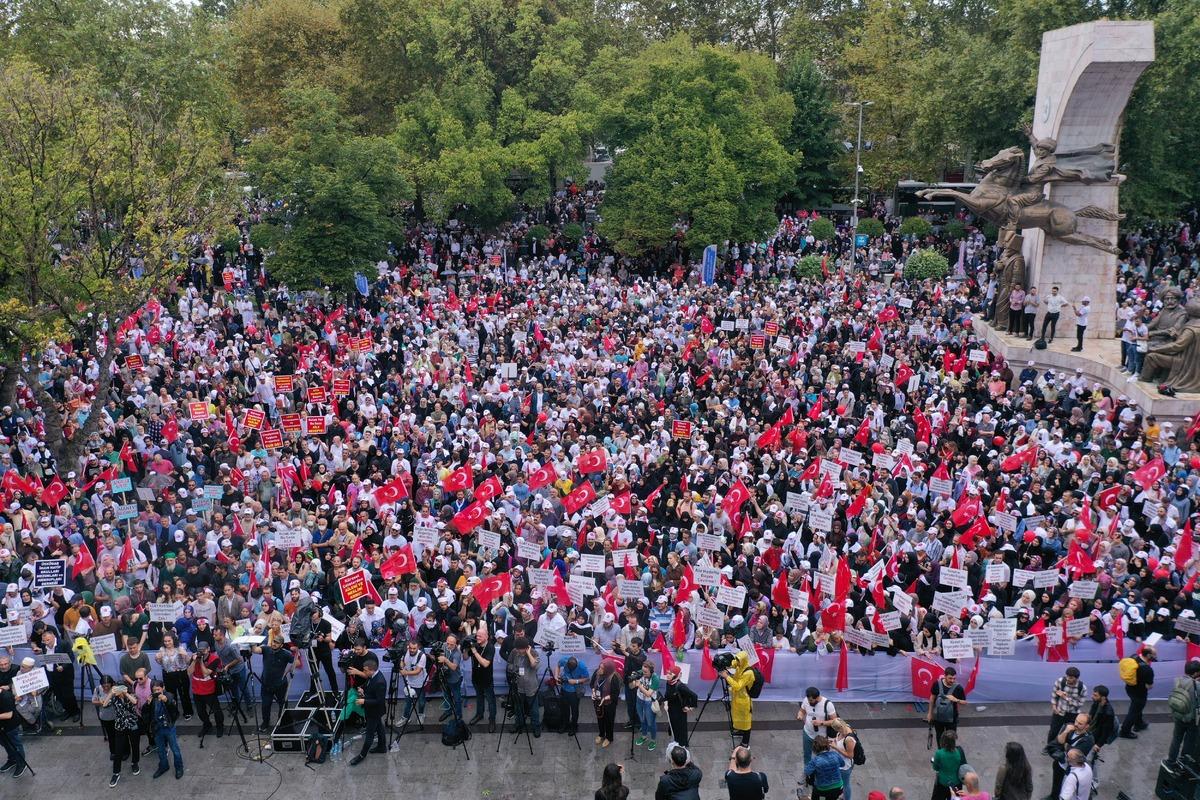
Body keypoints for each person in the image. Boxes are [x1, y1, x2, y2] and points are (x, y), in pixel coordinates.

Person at [254, 635, 300, 732]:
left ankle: (281, 722)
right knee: (265, 705)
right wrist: (252, 641)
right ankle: (265, 722)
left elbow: (298, 662)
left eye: (277, 642)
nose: (274, 644)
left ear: (281, 645)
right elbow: (255, 650)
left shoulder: (286, 653)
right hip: (266, 684)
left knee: (283, 704)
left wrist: (288, 670)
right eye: (274, 641)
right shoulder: (266, 649)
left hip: (280, 685)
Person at [349, 654, 388, 765]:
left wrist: (364, 701)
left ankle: (362, 755)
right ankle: (382, 747)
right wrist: (363, 689)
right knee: (379, 727)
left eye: (365, 670)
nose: (363, 672)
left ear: (372, 670)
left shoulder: (380, 682)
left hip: (374, 711)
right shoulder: (373, 676)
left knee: (370, 734)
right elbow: (368, 684)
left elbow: (379, 701)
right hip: (373, 710)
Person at [1165, 659, 1200, 772]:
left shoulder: (1177, 680)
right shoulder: (1197, 685)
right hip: (1191, 719)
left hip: (1178, 715)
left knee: (1176, 739)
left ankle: (1171, 761)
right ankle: (1183, 762)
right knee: (1189, 741)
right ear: (1196, 673)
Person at [146, 678, 184, 780]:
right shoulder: (151, 699)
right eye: (154, 690)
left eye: (158, 689)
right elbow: (146, 714)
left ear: (163, 688)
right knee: (161, 750)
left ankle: (179, 767)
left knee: (175, 749)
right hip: (157, 728)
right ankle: (163, 766)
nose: (156, 692)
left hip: (168, 727)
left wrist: (167, 701)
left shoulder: (169, 696)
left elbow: (175, 713)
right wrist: (147, 704)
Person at [1049, 713, 1093, 800]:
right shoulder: (1069, 727)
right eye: (1076, 721)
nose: (1076, 724)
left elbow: (1073, 755)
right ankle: (1053, 796)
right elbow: (1059, 741)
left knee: (1066, 789)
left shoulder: (1088, 740)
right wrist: (1066, 731)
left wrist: (1065, 746)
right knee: (1056, 783)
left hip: (1071, 768)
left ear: (1087, 726)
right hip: (1060, 763)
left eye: (1080, 723)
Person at [106, 684, 142, 787]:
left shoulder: (132, 696)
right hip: (120, 726)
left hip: (132, 724)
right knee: (118, 750)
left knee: (135, 745)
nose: (118, 691)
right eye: (117, 688)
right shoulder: (114, 698)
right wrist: (111, 693)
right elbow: (104, 704)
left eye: (120, 688)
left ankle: (135, 763)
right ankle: (116, 773)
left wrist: (125, 693)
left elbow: (135, 702)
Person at [507, 636, 541, 737]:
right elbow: (509, 663)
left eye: (520, 649)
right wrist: (514, 668)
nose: (518, 651)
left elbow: (535, 665)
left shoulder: (534, 653)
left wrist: (528, 653)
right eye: (517, 649)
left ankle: (536, 727)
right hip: (518, 686)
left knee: (534, 709)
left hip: (531, 686)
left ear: (526, 647)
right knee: (518, 707)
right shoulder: (514, 651)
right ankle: (519, 724)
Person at [155, 633, 193, 721]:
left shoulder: (180, 648)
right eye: (165, 641)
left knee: (184, 694)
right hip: (168, 675)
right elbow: (160, 663)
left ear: (173, 640)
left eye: (169, 641)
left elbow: (188, 662)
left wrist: (185, 655)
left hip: (181, 674)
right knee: (171, 695)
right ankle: (173, 712)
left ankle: (188, 712)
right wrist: (157, 659)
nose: (167, 643)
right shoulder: (162, 649)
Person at [189, 640, 223, 737]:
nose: (202, 652)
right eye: (200, 650)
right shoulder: (194, 657)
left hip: (209, 689)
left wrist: (201, 662)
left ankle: (220, 726)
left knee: (216, 710)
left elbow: (206, 673)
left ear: (208, 649)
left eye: (203, 650)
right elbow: (189, 672)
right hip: (197, 689)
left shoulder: (215, 658)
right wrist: (194, 661)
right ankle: (207, 725)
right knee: (200, 711)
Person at [1118, 646, 1155, 738]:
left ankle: (1139, 723)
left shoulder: (1133, 657)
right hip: (1140, 693)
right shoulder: (1148, 669)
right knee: (1134, 711)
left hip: (1129, 688)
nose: (1156, 656)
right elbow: (1149, 686)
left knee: (1137, 708)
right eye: (1154, 655)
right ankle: (1124, 731)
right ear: (1148, 655)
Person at [467, 627, 497, 732]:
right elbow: (465, 657)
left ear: (486, 636)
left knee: (491, 700)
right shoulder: (475, 645)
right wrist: (466, 647)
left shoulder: (490, 647)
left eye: (480, 636)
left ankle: (492, 720)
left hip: (486, 679)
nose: (477, 638)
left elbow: (485, 664)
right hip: (476, 678)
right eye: (477, 636)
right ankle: (479, 715)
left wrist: (475, 652)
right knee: (479, 698)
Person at [799, 686, 838, 766]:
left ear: (817, 698)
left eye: (811, 700)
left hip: (822, 737)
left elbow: (835, 721)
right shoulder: (806, 700)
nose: (809, 702)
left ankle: (820, 770)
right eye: (808, 700)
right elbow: (802, 711)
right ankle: (808, 770)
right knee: (807, 754)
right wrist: (800, 715)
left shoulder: (828, 705)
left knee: (822, 756)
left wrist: (821, 723)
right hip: (808, 733)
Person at [1085, 685, 1116, 784]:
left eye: (1095, 695)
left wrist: (1098, 744)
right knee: (1087, 757)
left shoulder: (1108, 712)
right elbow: (1091, 715)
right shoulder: (1096, 703)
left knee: (1090, 759)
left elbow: (1106, 731)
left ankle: (1095, 780)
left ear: (1103, 697)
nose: (1092, 696)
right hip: (1090, 733)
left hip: (1096, 738)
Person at [0, 667, 27, 778]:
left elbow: (8, 715)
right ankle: (12, 759)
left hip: (10, 725)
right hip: (1, 726)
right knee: (5, 744)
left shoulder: (5, 697)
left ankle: (21, 763)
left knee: (15, 744)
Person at [928, 668, 967, 744]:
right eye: (950, 678)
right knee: (939, 737)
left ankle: (950, 750)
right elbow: (932, 698)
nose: (952, 680)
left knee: (951, 739)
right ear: (944, 676)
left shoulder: (958, 688)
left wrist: (956, 700)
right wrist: (930, 713)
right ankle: (941, 751)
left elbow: (964, 702)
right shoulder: (937, 684)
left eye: (954, 678)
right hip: (938, 718)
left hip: (952, 720)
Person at [725, 650, 755, 746]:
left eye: (739, 660)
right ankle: (741, 731)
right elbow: (732, 663)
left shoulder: (748, 673)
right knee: (739, 717)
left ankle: (745, 743)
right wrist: (724, 663)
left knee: (746, 722)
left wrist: (726, 676)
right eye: (737, 659)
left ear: (744, 660)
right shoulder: (740, 665)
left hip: (744, 700)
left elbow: (738, 686)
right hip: (738, 698)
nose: (737, 662)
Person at [1048, 667, 1086, 743]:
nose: (1068, 679)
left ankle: (1065, 747)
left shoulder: (1082, 688)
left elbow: (1080, 704)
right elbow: (1054, 695)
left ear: (1076, 678)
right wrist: (1054, 707)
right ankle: (1049, 747)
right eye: (1067, 676)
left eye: (1071, 678)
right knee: (1053, 731)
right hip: (1059, 711)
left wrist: (1066, 698)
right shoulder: (1060, 681)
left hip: (1073, 714)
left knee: (1070, 733)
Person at [663, 666, 698, 747]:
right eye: (667, 673)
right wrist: (666, 703)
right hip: (671, 709)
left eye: (670, 674)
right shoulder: (668, 682)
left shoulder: (680, 686)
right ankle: (675, 741)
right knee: (673, 726)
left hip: (679, 712)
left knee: (680, 729)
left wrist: (690, 708)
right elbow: (667, 694)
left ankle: (682, 745)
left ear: (675, 676)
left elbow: (694, 696)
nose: (667, 675)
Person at [591, 657, 622, 748]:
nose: (599, 670)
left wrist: (604, 698)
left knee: (609, 721)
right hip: (597, 701)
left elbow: (615, 694)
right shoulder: (597, 673)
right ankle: (601, 734)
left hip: (609, 704)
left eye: (602, 668)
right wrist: (593, 692)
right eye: (599, 667)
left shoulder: (614, 678)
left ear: (608, 669)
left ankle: (609, 737)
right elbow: (592, 684)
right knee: (600, 718)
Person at [556, 654, 589, 737]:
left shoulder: (582, 666)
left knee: (574, 710)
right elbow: (558, 665)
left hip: (574, 691)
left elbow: (587, 678)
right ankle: (565, 724)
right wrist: (557, 675)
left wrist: (576, 681)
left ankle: (574, 726)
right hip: (564, 688)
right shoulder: (564, 660)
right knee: (564, 708)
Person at [805, 735, 846, 800]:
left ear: (814, 749)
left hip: (822, 788)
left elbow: (807, 772)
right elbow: (842, 764)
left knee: (815, 793)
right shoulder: (835, 754)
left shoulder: (815, 760)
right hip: (838, 786)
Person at [930, 730, 966, 800]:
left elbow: (935, 768)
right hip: (956, 783)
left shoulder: (939, 753)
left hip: (942, 782)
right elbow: (963, 765)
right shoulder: (959, 751)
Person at [398, 639, 428, 723]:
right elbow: (402, 661)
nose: (411, 650)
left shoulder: (422, 656)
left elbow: (417, 671)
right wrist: (401, 666)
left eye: (414, 648)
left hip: (420, 682)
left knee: (421, 701)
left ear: (418, 647)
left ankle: (421, 715)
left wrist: (405, 672)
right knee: (408, 701)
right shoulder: (406, 651)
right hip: (409, 681)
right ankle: (405, 717)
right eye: (410, 648)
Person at [436, 633, 464, 722]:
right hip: (445, 677)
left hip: (454, 679)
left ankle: (458, 714)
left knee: (457, 698)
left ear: (456, 644)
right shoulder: (444, 645)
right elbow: (438, 655)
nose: (448, 646)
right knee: (446, 696)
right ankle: (448, 711)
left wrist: (445, 660)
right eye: (447, 643)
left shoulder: (457, 653)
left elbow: (454, 667)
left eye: (451, 644)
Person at [829, 718, 859, 800]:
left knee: (846, 784)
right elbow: (839, 741)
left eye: (835, 729)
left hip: (845, 766)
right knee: (842, 782)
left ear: (838, 728)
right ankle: (843, 795)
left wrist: (836, 747)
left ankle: (847, 798)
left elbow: (850, 755)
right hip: (839, 762)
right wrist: (834, 741)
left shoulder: (849, 739)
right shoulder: (842, 730)